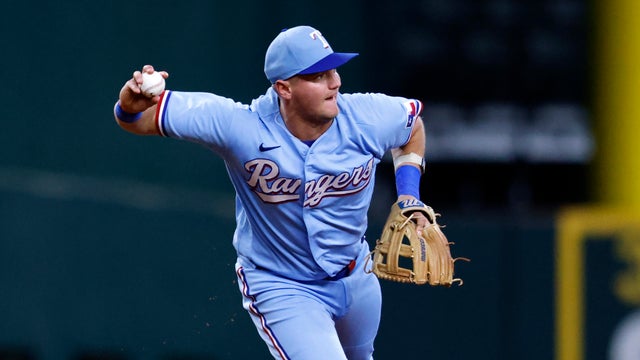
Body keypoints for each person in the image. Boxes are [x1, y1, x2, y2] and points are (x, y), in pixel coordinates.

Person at [114, 25, 427, 360]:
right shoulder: (240, 126)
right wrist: (128, 104)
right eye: (318, 75)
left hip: (357, 276)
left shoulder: (369, 117)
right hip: (283, 285)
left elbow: (413, 127)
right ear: (283, 87)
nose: (335, 82)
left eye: (334, 70)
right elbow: (140, 119)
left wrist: (409, 194)